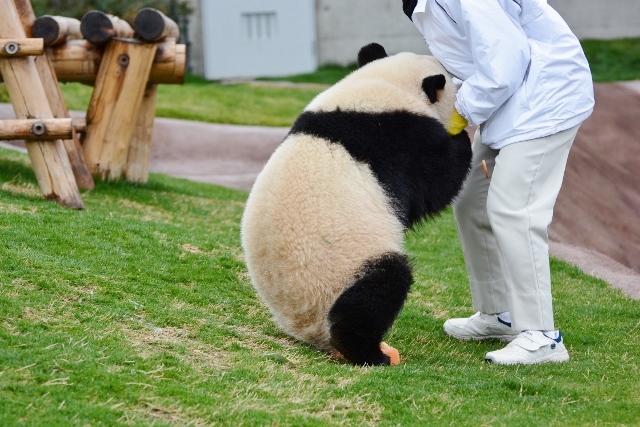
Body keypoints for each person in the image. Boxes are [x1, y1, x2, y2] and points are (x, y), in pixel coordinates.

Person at [402, 0, 595, 364]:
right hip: (514, 99)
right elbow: (474, 56)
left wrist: (459, 113)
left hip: (546, 97)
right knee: (471, 198)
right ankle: (500, 314)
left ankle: (542, 337)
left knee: (513, 209)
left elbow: (506, 59)